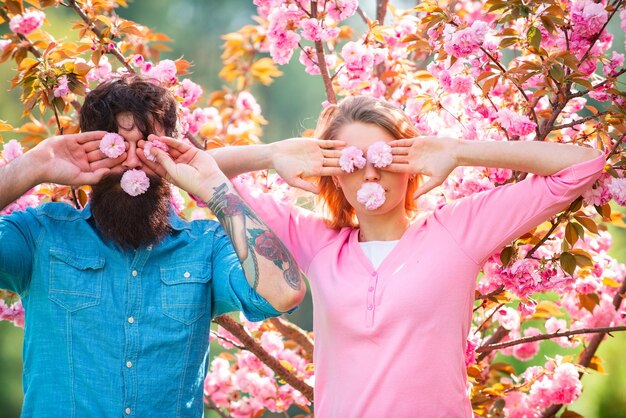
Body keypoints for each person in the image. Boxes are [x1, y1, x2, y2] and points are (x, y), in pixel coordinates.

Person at [143, 95, 607, 417]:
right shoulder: (314, 241)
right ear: (332, 174)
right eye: (351, 160)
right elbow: (191, 169)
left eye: (384, 156)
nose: (370, 173)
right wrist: (274, 153)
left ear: (411, 158)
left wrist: (458, 151)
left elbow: (584, 163)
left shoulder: (459, 230)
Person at [0, 76, 304, 417]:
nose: (131, 163)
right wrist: (31, 168)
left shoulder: (206, 247)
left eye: (147, 148)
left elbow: (285, 291)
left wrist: (217, 188)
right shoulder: (40, 236)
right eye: (115, 146)